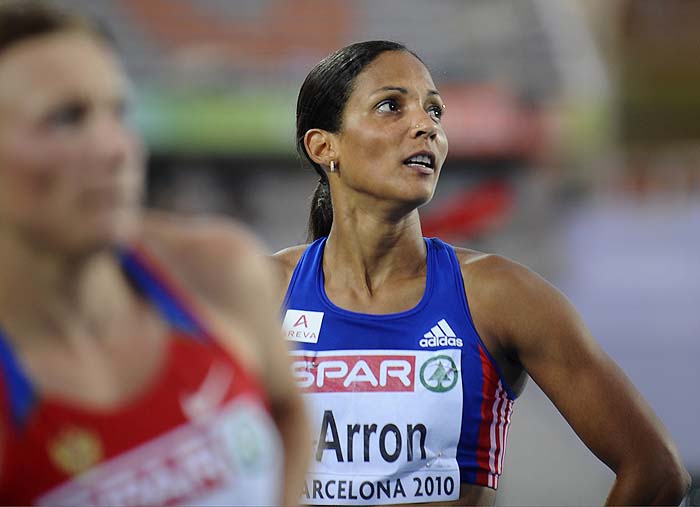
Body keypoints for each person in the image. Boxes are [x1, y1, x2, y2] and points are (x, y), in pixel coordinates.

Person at [273, 40, 690, 506]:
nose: (424, 126)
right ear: (323, 145)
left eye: (434, 111)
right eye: (391, 106)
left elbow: (655, 471)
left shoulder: (500, 296)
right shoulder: (263, 293)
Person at [0, 2, 309, 505]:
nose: (115, 147)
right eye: (64, 118)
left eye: (118, 111)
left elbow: (288, 411)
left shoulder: (217, 270)